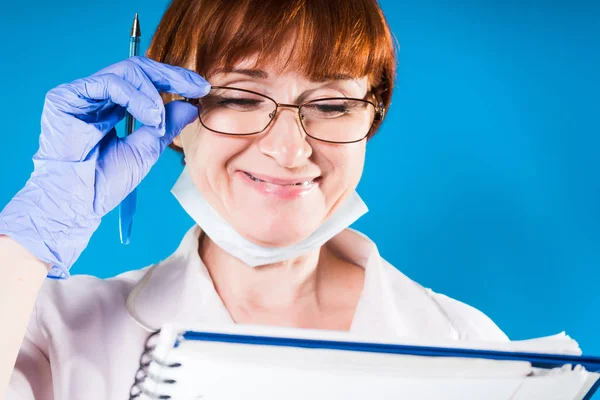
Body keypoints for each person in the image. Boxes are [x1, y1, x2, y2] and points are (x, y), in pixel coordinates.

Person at [0, 0, 508, 398]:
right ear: (168, 109)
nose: (289, 149)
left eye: (332, 105)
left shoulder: (468, 344)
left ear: (372, 115)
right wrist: (23, 247)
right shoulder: (51, 331)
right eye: (239, 98)